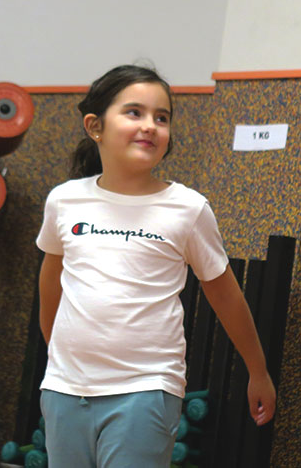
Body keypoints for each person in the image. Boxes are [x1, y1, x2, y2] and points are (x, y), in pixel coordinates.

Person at [36, 64, 276, 468]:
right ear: (95, 126)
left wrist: (258, 370)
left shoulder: (187, 208)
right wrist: (57, 361)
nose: (150, 126)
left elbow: (226, 296)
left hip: (145, 389)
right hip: (64, 391)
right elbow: (50, 284)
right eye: (135, 113)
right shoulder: (64, 200)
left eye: (161, 118)